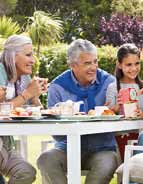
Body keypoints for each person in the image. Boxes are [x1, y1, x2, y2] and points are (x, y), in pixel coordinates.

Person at [37, 39, 118, 184]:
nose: (93, 67)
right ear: (73, 65)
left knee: (107, 163)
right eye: (87, 63)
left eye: (95, 61)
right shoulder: (58, 87)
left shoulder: (109, 83)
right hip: (67, 149)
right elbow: (54, 130)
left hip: (102, 148)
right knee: (46, 160)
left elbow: (117, 118)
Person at [0, 34, 48, 184]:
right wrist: (27, 93)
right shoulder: (0, 71)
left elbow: (34, 110)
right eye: (28, 55)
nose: (33, 60)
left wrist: (35, 96)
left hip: (5, 144)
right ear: (13, 56)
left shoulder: (24, 78)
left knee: (26, 172)